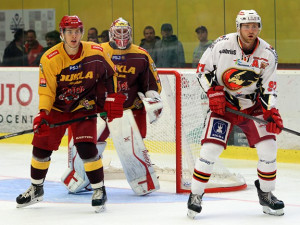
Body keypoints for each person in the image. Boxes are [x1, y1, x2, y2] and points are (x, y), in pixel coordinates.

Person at [15, 15, 124, 212]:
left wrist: (111, 98)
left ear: (82, 33)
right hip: (58, 108)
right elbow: (46, 90)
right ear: (62, 34)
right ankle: (36, 189)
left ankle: (100, 190)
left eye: (77, 32)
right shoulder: (50, 58)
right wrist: (43, 113)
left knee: (86, 147)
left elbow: (111, 74)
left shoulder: (96, 52)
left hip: (85, 106)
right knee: (41, 148)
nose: (73, 36)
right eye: (69, 32)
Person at [187, 9, 285, 219]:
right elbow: (202, 70)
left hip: (252, 106)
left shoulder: (268, 53)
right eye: (246, 26)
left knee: (269, 148)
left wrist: (270, 111)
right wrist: (213, 92)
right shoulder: (221, 45)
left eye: (255, 26)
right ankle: (195, 194)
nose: (251, 30)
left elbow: (269, 87)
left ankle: (266, 193)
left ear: (259, 28)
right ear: (238, 27)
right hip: (224, 106)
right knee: (210, 150)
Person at [61, 17, 162, 195]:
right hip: (100, 109)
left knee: (132, 150)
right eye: (118, 32)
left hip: (126, 111)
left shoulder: (141, 54)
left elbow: (151, 84)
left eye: (125, 32)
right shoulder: (98, 51)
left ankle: (143, 181)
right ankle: (80, 177)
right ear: (110, 33)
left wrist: (152, 98)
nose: (122, 35)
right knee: (85, 143)